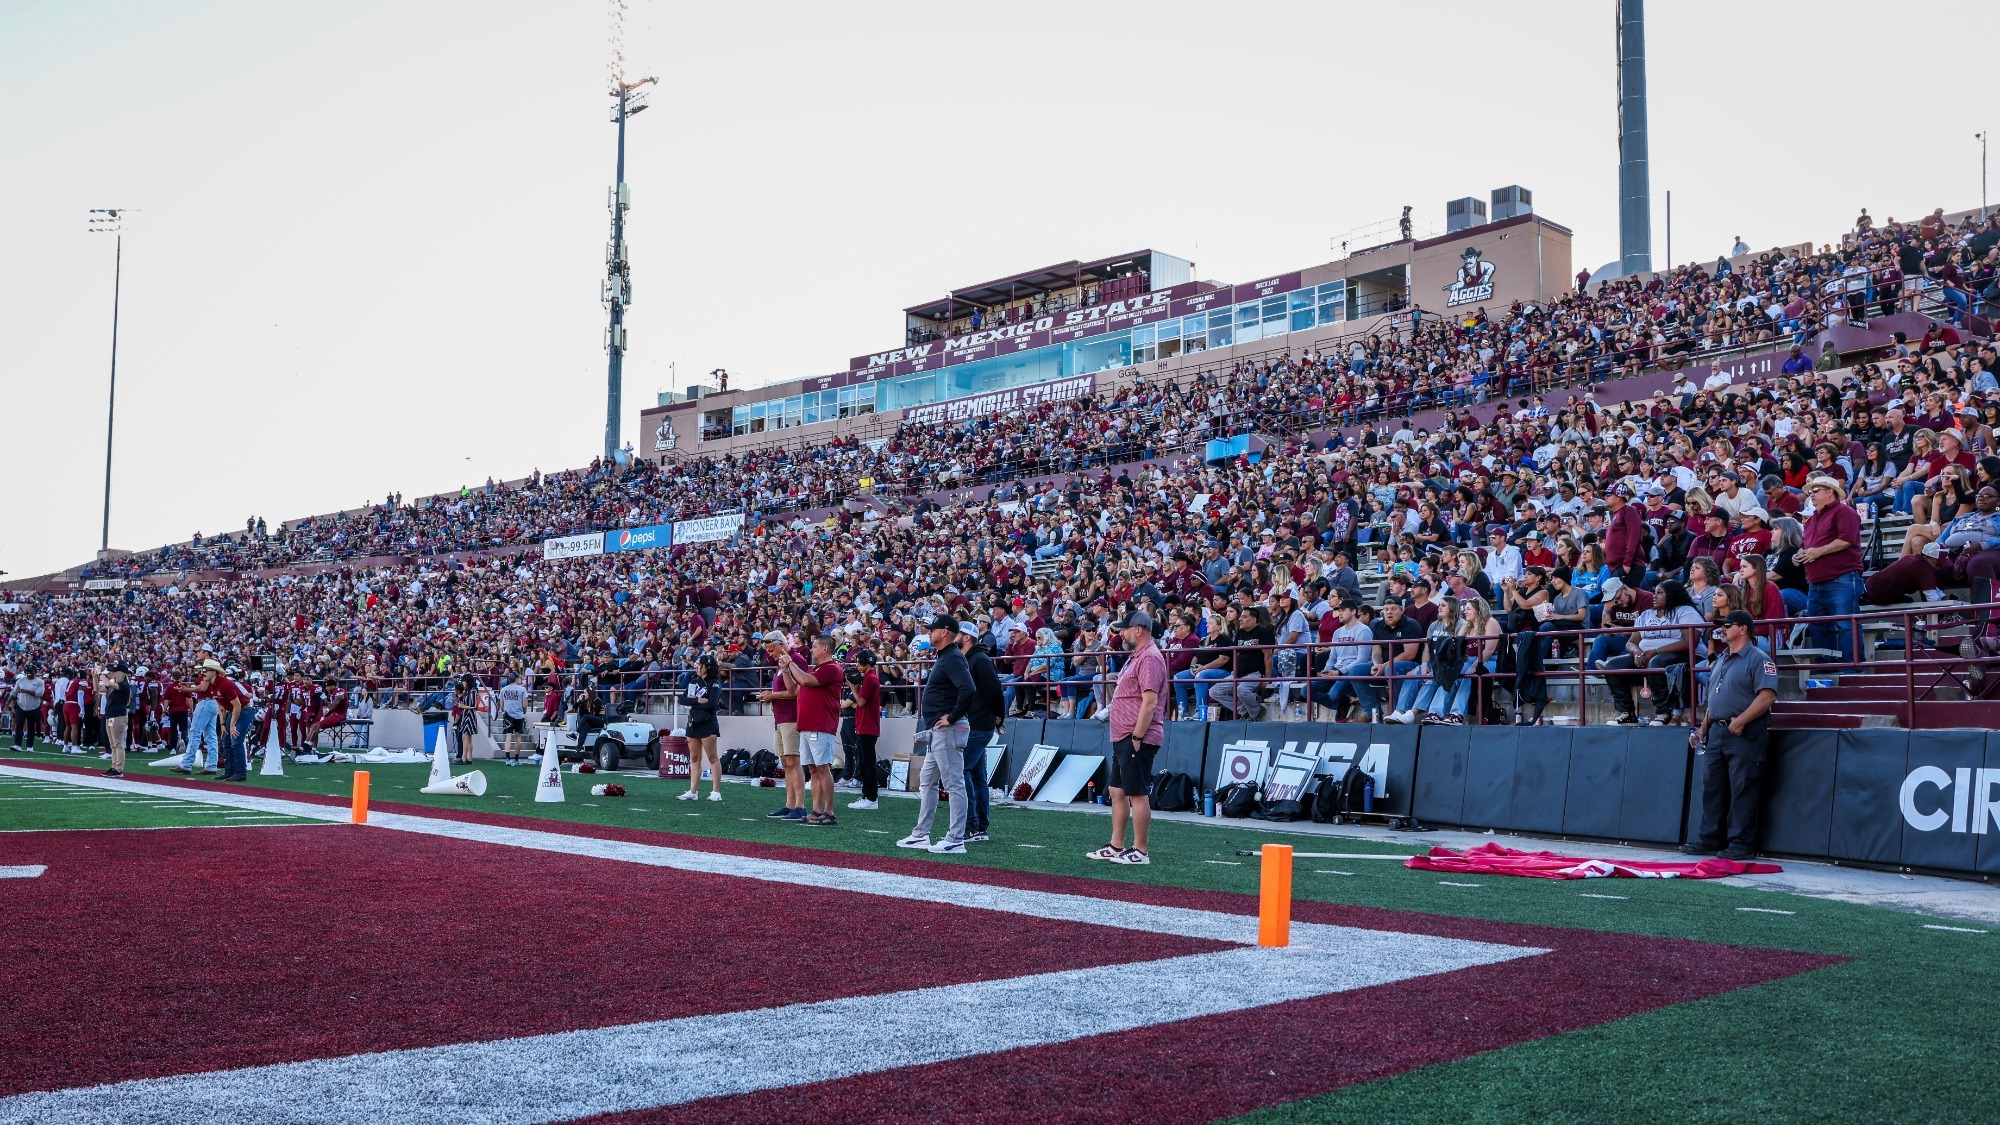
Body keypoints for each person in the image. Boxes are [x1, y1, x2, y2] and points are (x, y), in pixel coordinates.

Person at [1683, 610, 1778, 861]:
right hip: (1718, 730)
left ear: (1743, 629)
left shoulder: (1759, 659)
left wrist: (1742, 721)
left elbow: (1767, 696)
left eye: (1727, 625)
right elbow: (1715, 699)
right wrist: (1703, 728)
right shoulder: (1722, 658)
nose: (1722, 629)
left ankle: (1741, 843)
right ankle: (1710, 839)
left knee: (1742, 788)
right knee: (1712, 787)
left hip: (1745, 731)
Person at [1090, 609, 1166, 865]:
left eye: (1125, 629)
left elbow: (1150, 702)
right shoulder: (1137, 656)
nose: (1121, 633)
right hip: (1124, 733)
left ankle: (1140, 850)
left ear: (1139, 630)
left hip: (1136, 735)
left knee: (1137, 793)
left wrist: (1137, 735)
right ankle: (1116, 845)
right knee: (1117, 790)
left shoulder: (1150, 658)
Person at [897, 615, 975, 854]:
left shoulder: (952, 657)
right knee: (927, 781)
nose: (928, 633)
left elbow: (968, 689)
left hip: (948, 729)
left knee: (954, 783)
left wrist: (952, 717)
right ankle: (921, 834)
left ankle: (956, 839)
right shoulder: (946, 656)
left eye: (932, 629)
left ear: (944, 632)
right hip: (938, 730)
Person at [1798, 475, 1864, 664]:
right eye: (1810, 491)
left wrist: (1818, 552)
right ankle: (1827, 667)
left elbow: (1846, 540)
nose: (1811, 494)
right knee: (1818, 626)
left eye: (1815, 490)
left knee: (1846, 625)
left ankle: (1853, 667)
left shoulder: (1844, 511)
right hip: (1816, 581)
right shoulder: (1812, 519)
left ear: (1830, 492)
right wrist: (1800, 554)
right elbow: (1806, 545)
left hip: (1841, 578)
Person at [779, 634, 844, 826]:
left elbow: (805, 681)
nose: (812, 650)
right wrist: (785, 670)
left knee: (823, 768)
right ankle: (816, 810)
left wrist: (791, 663)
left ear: (825, 649)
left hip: (820, 725)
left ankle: (829, 811)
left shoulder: (832, 668)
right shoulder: (815, 670)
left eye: (814, 646)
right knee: (814, 770)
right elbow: (794, 690)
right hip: (808, 725)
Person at [959, 623, 1005, 843]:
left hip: (978, 725)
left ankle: (971, 825)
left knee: (963, 772)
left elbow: (995, 691)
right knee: (977, 776)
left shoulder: (979, 660)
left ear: (967, 637)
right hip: (976, 723)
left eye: (958, 633)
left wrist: (999, 717)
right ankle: (979, 827)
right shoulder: (973, 659)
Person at [756, 632, 806, 821]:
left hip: (791, 717)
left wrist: (773, 695)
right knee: (786, 762)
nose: (770, 655)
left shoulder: (796, 660)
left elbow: (797, 691)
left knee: (793, 760)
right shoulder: (783, 662)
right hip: (781, 717)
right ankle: (790, 804)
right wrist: (771, 694)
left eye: (771, 650)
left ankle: (800, 806)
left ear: (782, 645)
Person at [676, 654, 724, 801]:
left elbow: (712, 704)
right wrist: (698, 700)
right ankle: (693, 791)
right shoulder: (694, 681)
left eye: (700, 665)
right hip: (693, 722)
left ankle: (716, 792)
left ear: (707, 667)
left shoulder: (714, 683)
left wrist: (695, 702)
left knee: (712, 757)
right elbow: (683, 700)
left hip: (707, 722)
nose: (697, 667)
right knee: (694, 758)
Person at [844, 649, 882, 811]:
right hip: (865, 725)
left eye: (860, 662)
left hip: (867, 726)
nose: (857, 665)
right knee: (865, 762)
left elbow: (861, 702)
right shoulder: (869, 677)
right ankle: (867, 795)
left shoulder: (870, 678)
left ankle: (871, 797)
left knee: (867, 763)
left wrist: (853, 687)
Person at [176, 659, 224, 775]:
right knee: (211, 736)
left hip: (205, 703)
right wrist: (190, 686)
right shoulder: (217, 677)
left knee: (195, 733)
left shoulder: (207, 676)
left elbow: (203, 688)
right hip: (213, 703)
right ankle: (211, 766)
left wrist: (186, 689)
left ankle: (186, 764)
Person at [97, 664, 132, 777]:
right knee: (113, 744)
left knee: (118, 743)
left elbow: (108, 684)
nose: (111, 673)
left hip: (118, 716)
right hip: (111, 716)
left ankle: (119, 769)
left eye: (113, 671)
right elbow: (98, 689)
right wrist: (94, 677)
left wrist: (101, 674)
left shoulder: (123, 685)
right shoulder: (114, 685)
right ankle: (114, 767)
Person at [495, 673, 529, 765]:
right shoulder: (522, 689)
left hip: (508, 715)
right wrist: (524, 711)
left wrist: (504, 711)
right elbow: (524, 705)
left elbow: (501, 705)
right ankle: (516, 759)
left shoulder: (503, 690)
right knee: (518, 737)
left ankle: (507, 759)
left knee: (508, 737)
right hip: (519, 715)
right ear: (517, 679)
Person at [12, 668, 43, 749]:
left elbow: (40, 693)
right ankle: (17, 745)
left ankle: (30, 746)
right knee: (19, 724)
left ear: (34, 672)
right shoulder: (21, 681)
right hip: (21, 705)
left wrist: (26, 691)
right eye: (28, 671)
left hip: (33, 706)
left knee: (31, 726)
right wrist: (8, 702)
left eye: (31, 671)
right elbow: (14, 692)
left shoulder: (39, 681)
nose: (29, 673)